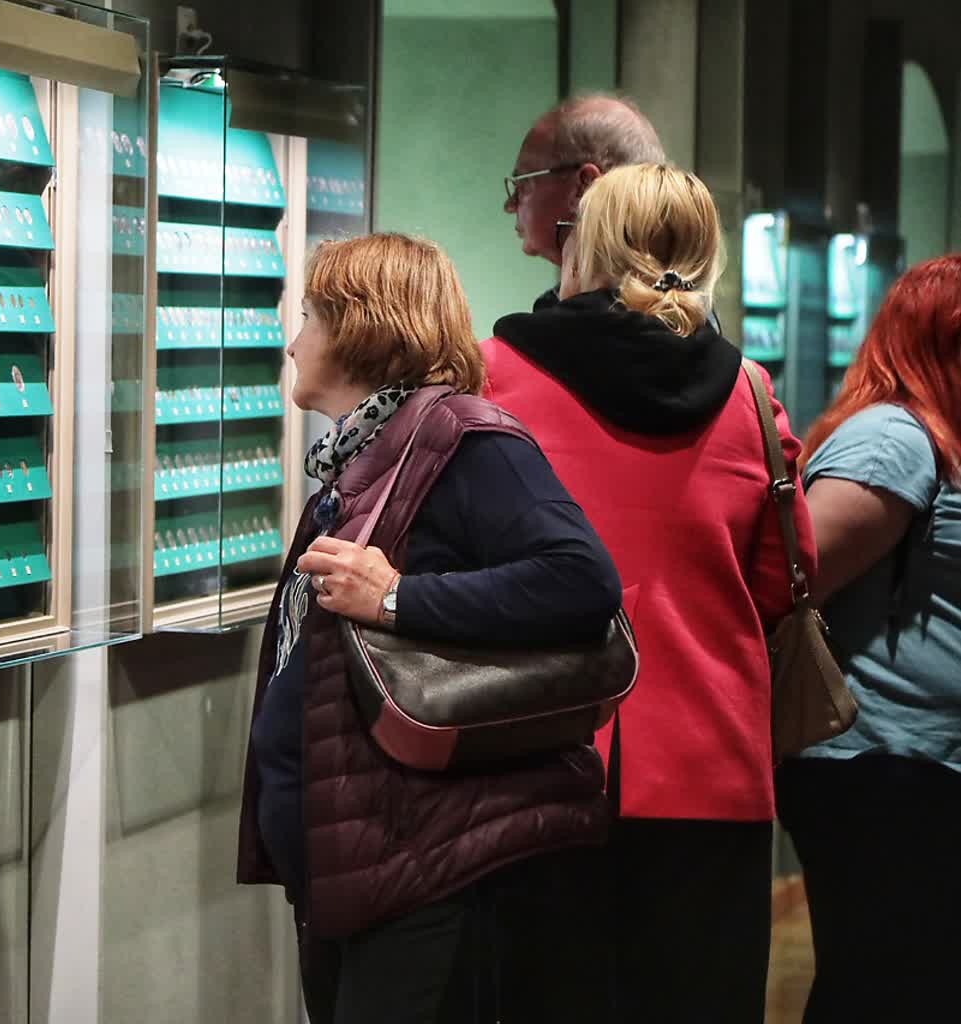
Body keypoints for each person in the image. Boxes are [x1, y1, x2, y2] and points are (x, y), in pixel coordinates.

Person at [236, 232, 624, 1023]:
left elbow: (581, 581)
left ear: (361, 327)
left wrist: (396, 599)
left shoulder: (462, 437)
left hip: (427, 862)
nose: (292, 342)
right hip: (365, 860)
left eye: (309, 317)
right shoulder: (367, 456)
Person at [481, 163, 817, 1023]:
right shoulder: (750, 395)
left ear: (583, 244)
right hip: (712, 765)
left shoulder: (496, 375)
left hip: (533, 756)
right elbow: (783, 579)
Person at [774, 254, 961, 1024]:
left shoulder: (937, 439)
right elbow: (792, 583)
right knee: (884, 987)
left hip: (920, 768)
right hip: (880, 766)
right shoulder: (893, 439)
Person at [504, 94, 666, 291]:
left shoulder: (590, 308)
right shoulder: (681, 300)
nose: (509, 205)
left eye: (523, 183)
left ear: (586, 185)